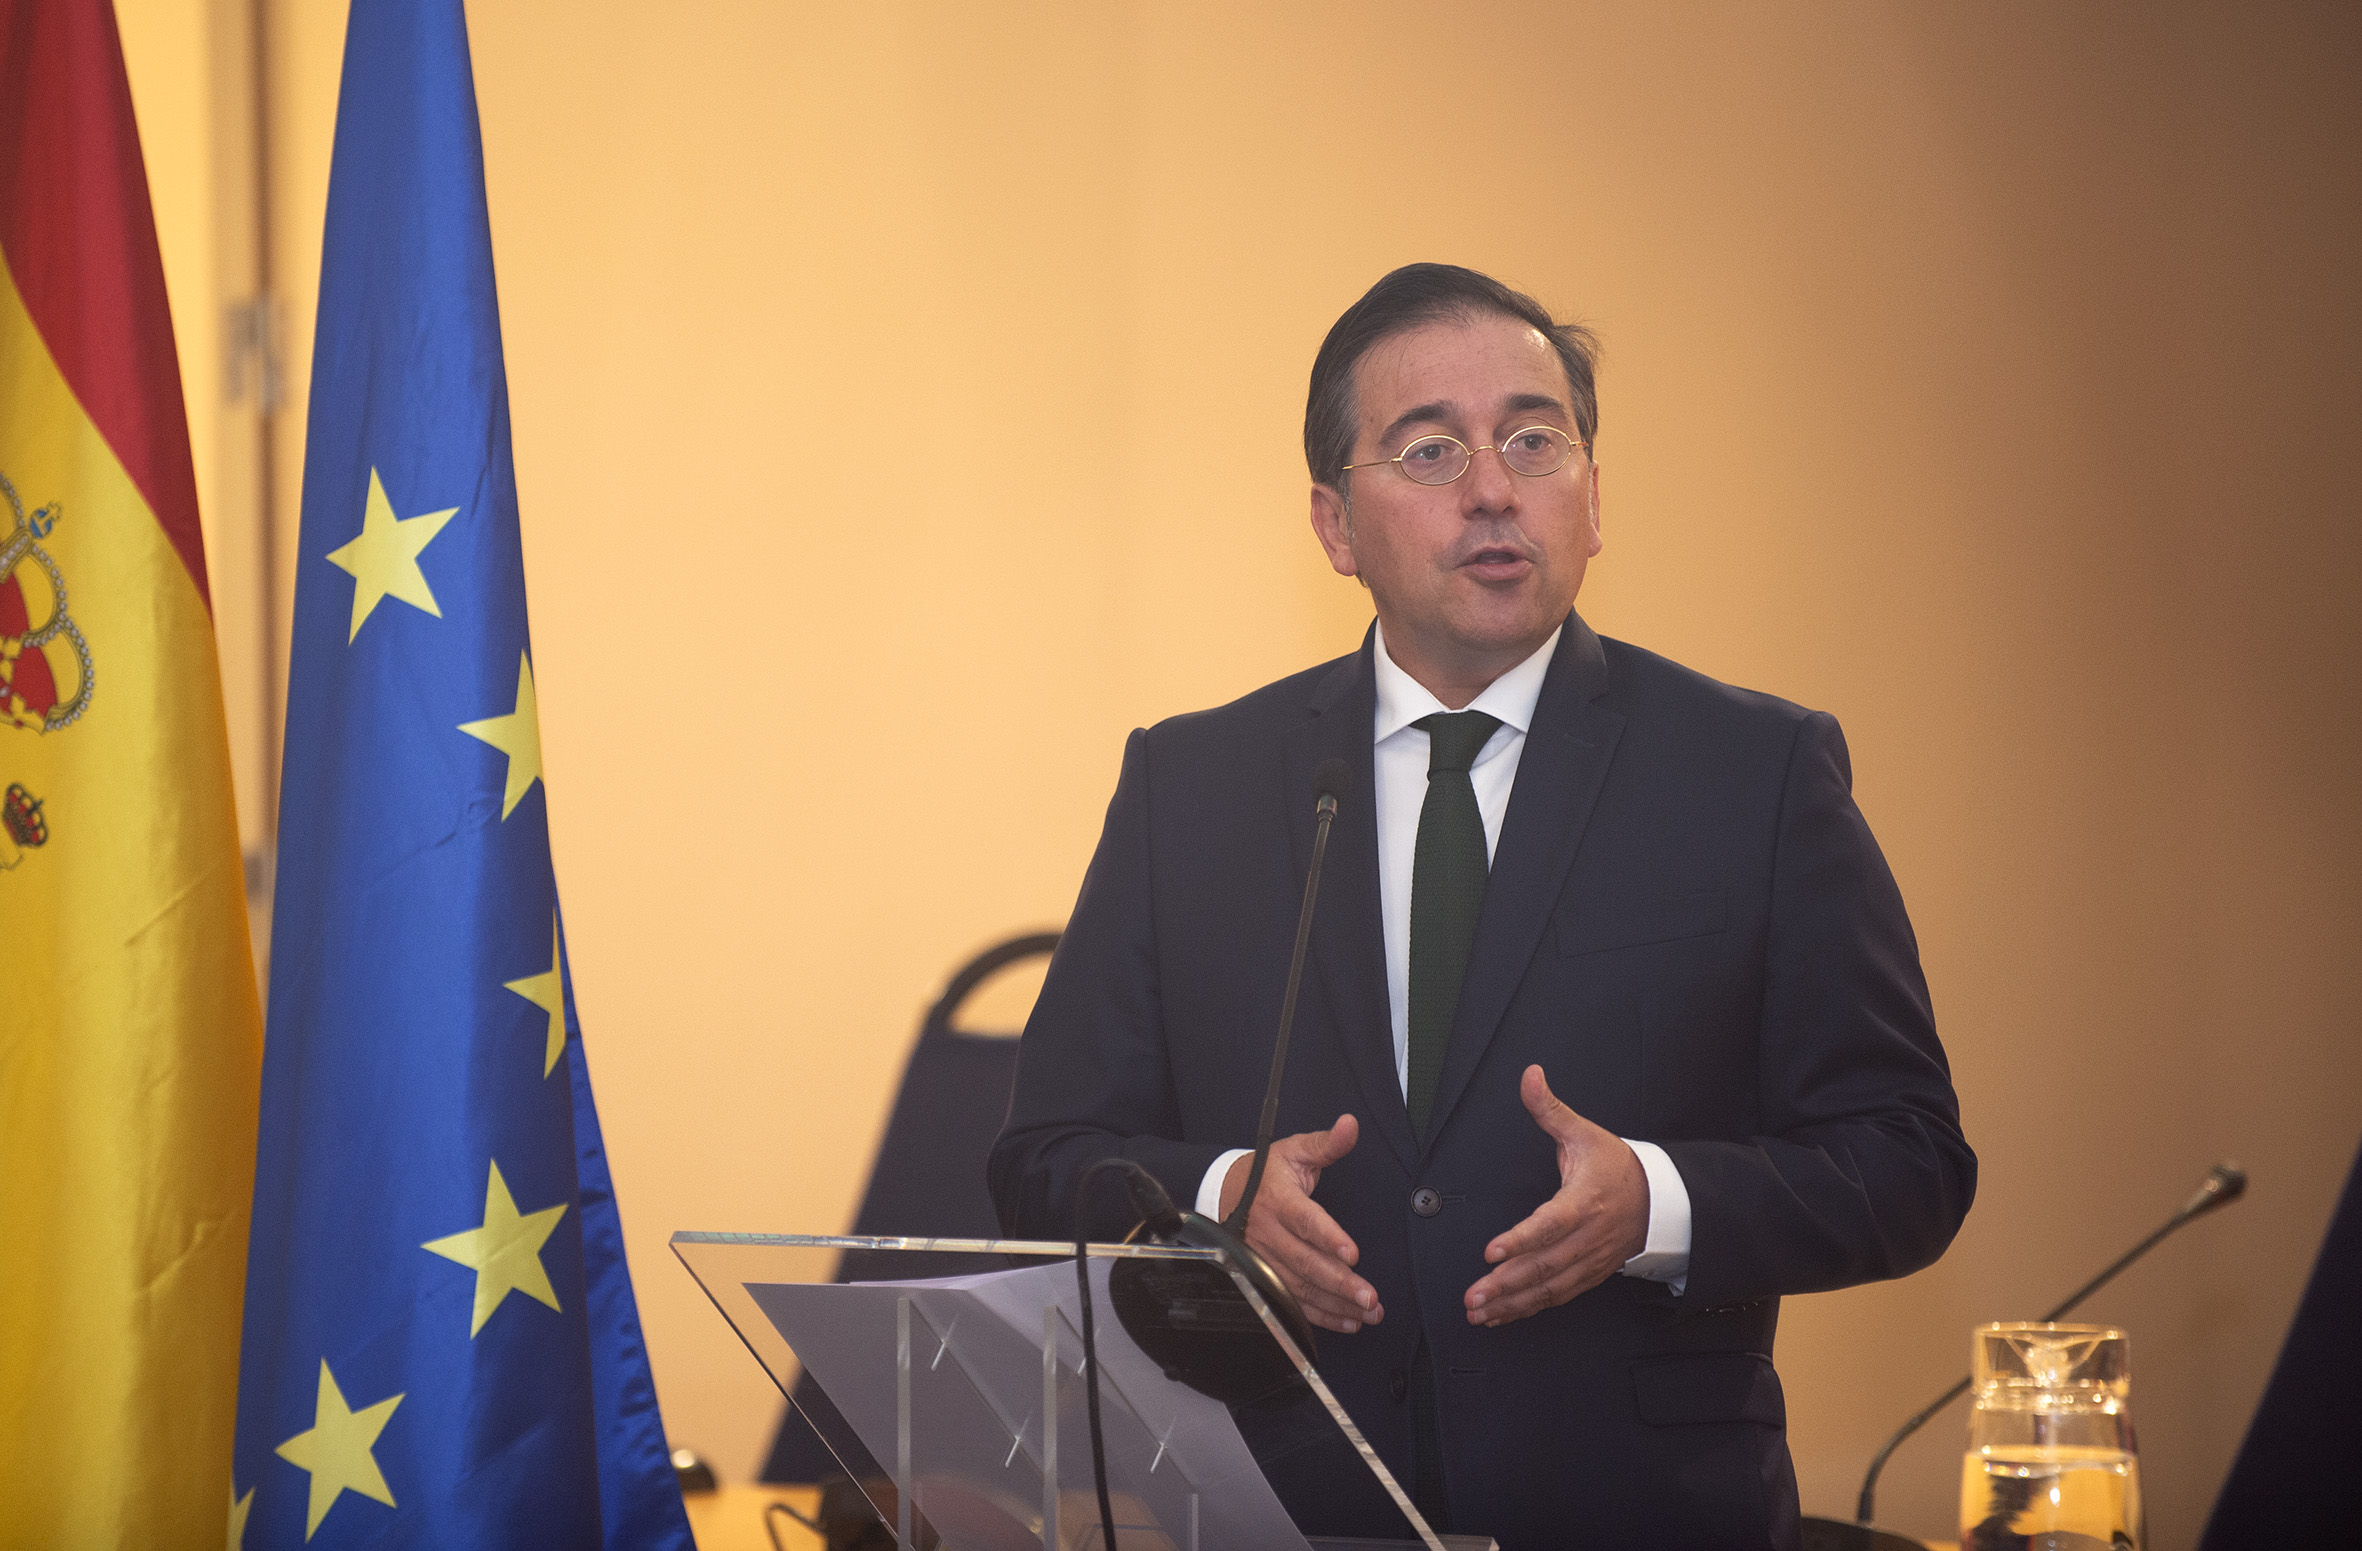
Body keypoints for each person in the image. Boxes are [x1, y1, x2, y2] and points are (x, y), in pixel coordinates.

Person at [988, 263, 1974, 1549]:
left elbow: (1906, 1158)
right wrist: (1221, 1194)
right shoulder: (1194, 785)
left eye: (1533, 440)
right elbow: (1043, 1158)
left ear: (1593, 498)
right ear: (1335, 526)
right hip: (1278, 1508)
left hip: (1634, 1514)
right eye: (1430, 450)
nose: (1495, 489)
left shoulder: (1753, 773)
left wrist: (1659, 1201)